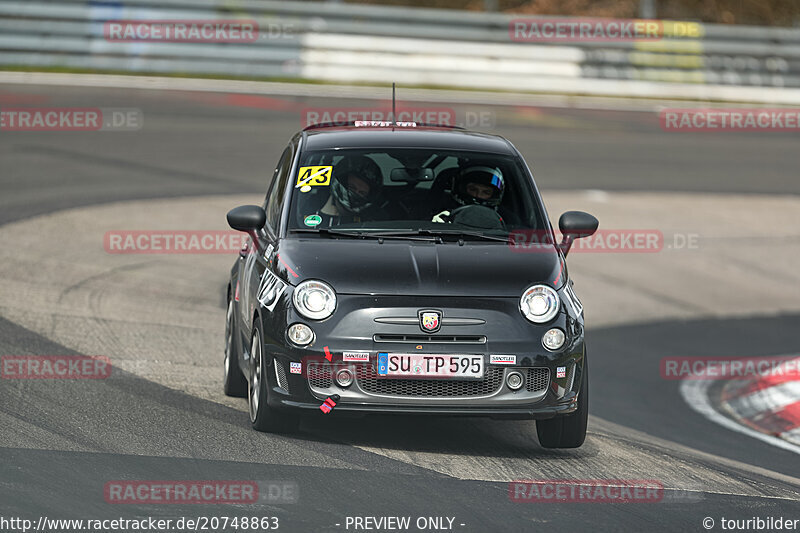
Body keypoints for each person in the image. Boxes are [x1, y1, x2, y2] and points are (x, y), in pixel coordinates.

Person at [311, 155, 384, 227]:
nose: (356, 193)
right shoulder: (312, 206)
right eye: (352, 188)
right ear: (341, 183)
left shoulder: (375, 219)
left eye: (362, 193)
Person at [432, 165, 509, 227]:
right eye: (473, 189)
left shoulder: (507, 220)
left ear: (494, 195)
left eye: (486, 192)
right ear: (461, 189)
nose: (478, 195)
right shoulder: (441, 211)